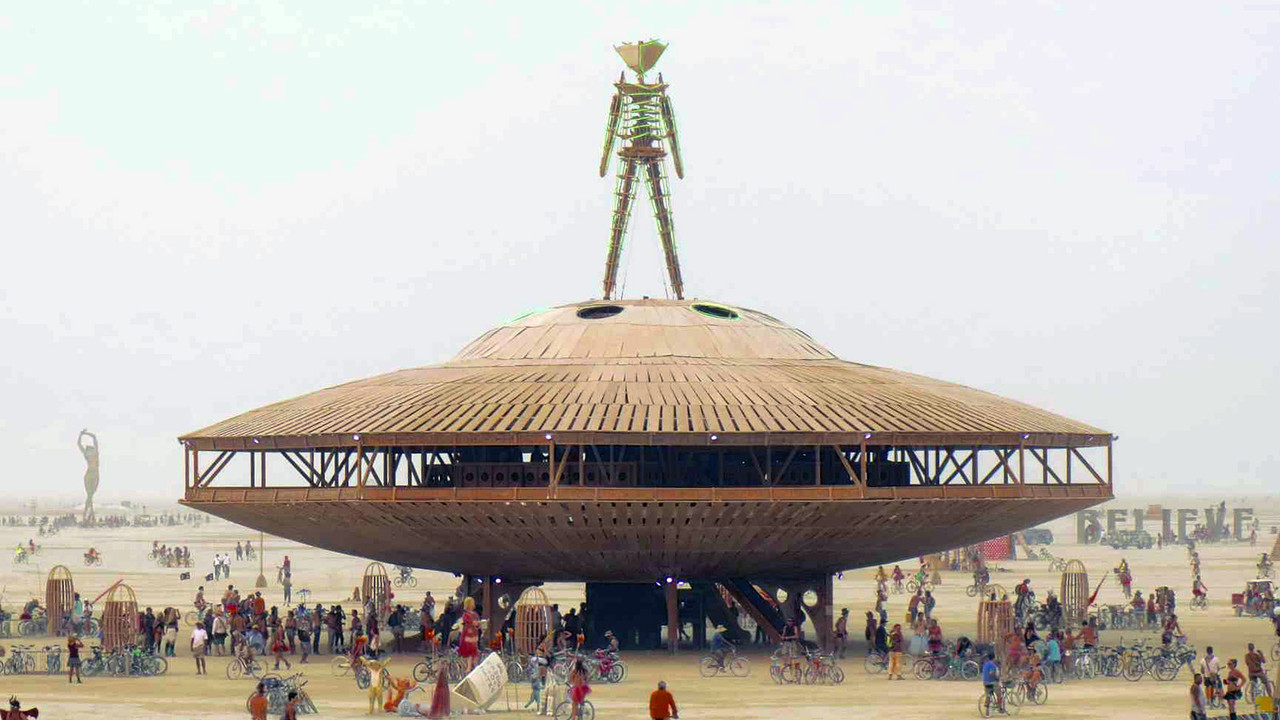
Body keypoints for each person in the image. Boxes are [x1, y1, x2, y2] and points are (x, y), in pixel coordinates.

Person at [458, 597, 481, 671]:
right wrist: (476, 623)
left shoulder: (471, 614)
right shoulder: (468, 615)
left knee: (473, 653)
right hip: (469, 636)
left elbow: (476, 624)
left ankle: (471, 668)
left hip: (472, 635)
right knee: (471, 653)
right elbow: (470, 623)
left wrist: (479, 624)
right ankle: (470, 668)